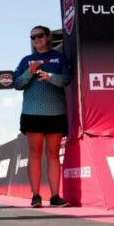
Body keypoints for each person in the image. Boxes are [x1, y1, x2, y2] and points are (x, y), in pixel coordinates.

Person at [13, 25, 72, 208]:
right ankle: (36, 196)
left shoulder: (60, 57)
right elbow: (17, 84)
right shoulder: (27, 60)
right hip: (32, 112)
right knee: (35, 154)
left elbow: (67, 79)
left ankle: (55, 196)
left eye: (39, 35)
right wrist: (30, 72)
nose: (36, 39)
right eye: (32, 37)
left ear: (48, 37)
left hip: (55, 112)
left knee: (53, 154)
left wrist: (50, 76)